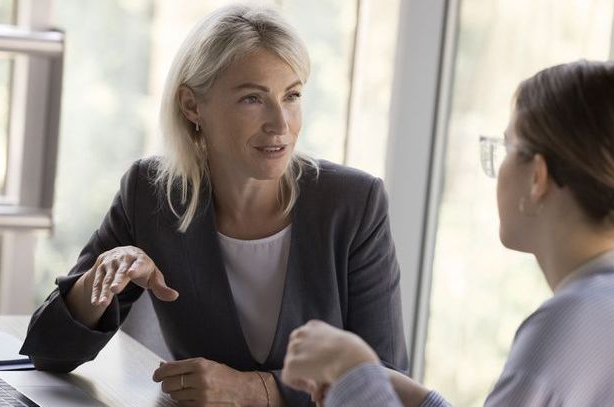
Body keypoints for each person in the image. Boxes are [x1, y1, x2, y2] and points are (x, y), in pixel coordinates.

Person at [20, 4, 407, 406]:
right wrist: (97, 284)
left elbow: (391, 381)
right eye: (253, 99)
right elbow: (47, 351)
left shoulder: (354, 204)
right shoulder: (152, 194)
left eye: (291, 95)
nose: (281, 123)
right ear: (191, 106)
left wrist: (258, 391)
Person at [281, 60, 614, 406]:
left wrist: (354, 371)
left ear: (538, 178)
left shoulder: (569, 325)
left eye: (507, 147)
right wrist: (409, 393)